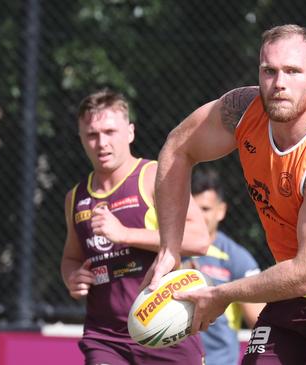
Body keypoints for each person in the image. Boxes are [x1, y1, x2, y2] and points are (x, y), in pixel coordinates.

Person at [146, 24, 306, 364]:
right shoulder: (244, 110)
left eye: (293, 71)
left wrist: (221, 294)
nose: (278, 83)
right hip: (295, 288)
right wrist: (169, 248)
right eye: (269, 71)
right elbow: (177, 148)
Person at [60, 89, 210, 364]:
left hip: (165, 326)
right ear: (81, 138)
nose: (101, 143)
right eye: (92, 135)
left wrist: (125, 234)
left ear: (130, 132)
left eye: (110, 132)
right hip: (105, 337)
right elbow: (71, 258)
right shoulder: (76, 197)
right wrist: (72, 278)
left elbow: (200, 239)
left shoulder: (154, 176)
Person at [182, 167, 265, 365]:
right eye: (192, 209)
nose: (197, 216)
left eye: (205, 209)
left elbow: (260, 321)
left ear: (221, 211)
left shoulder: (236, 258)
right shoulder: (166, 250)